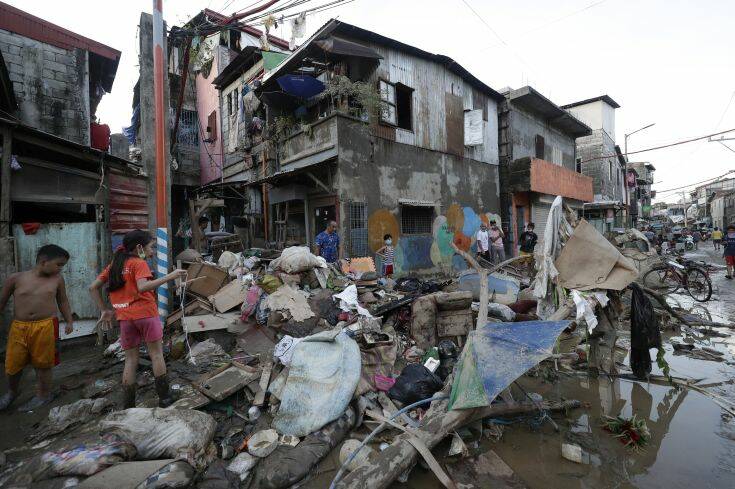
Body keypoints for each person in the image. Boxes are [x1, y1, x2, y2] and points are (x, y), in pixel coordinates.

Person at [89, 230, 186, 408]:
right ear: (139, 247)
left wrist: (104, 310)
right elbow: (142, 287)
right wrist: (171, 277)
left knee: (130, 360)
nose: (153, 251)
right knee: (156, 355)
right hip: (146, 315)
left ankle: (128, 405)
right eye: (152, 247)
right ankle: (165, 399)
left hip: (125, 318)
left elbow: (93, 287)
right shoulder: (138, 263)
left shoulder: (114, 266)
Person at [0, 245, 74, 411]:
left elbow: (63, 301)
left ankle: (43, 395)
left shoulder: (57, 280)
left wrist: (69, 321)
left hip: (46, 327)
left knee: (44, 364)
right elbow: (2, 301)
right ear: (43, 261)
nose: (61, 269)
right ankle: (12, 392)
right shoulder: (16, 278)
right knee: (12, 364)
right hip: (19, 327)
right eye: (59, 264)